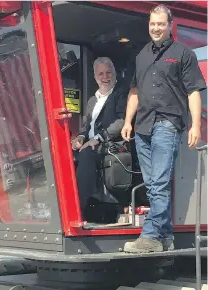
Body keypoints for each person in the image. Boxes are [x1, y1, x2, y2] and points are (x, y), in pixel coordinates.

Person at [121, 4, 206, 253]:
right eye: (152, 24)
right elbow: (134, 91)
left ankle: (149, 236)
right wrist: (128, 121)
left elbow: (193, 91)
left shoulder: (184, 54)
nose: (156, 28)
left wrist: (195, 125)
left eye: (161, 24)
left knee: (158, 183)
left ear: (170, 26)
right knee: (152, 185)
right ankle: (165, 236)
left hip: (167, 123)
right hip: (143, 125)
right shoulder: (141, 56)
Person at [72, 57, 129, 220]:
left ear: (115, 73)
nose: (105, 77)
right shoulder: (92, 100)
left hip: (110, 143)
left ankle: (78, 212)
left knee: (86, 154)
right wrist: (81, 137)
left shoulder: (121, 94)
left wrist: (98, 138)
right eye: (101, 74)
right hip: (91, 143)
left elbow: (121, 121)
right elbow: (85, 127)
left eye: (109, 72)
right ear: (95, 77)